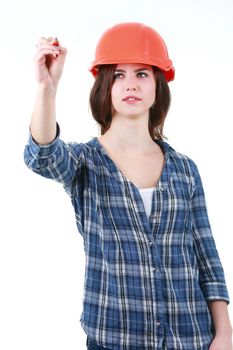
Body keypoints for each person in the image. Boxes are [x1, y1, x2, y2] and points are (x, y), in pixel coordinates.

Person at [24, 22, 232, 350]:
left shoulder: (185, 170)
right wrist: (47, 89)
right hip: (114, 339)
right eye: (119, 75)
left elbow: (206, 255)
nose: (130, 84)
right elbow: (43, 156)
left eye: (142, 74)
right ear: (105, 85)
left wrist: (224, 334)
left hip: (191, 337)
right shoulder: (85, 162)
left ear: (157, 86)